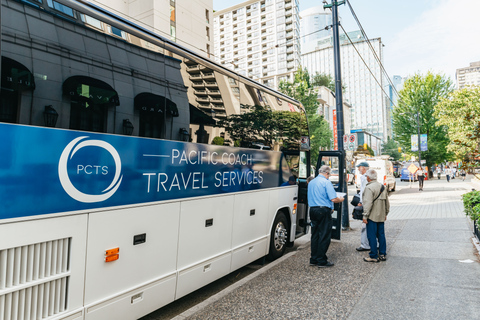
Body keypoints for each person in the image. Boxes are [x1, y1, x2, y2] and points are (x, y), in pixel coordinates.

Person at [308, 165, 344, 268]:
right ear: (327, 173)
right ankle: (321, 260)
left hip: (313, 210)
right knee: (324, 235)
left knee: (314, 235)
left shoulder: (311, 182)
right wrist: (341, 199)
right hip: (323, 211)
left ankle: (313, 259)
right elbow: (333, 198)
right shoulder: (326, 182)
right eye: (329, 174)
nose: (329, 176)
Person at [362, 169, 389, 262]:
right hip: (381, 215)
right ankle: (382, 254)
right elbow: (387, 202)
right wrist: (385, 213)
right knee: (381, 235)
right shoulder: (382, 186)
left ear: (368, 178)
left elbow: (368, 203)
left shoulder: (369, 188)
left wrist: (365, 216)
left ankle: (373, 255)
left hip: (372, 216)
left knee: (371, 235)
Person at [355, 161, 371, 252]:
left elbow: (365, 192)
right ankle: (371, 243)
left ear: (364, 168)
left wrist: (361, 202)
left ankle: (365, 244)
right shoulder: (366, 178)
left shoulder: (365, 178)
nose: (358, 169)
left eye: (359, 167)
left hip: (366, 205)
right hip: (366, 203)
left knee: (365, 224)